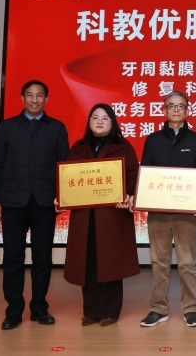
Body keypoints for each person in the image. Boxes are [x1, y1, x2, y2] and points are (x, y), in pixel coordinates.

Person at [0, 80, 69, 330]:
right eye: (30, 95)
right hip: (12, 203)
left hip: (45, 203)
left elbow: (64, 166)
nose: (35, 99)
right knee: (12, 258)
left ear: (47, 99)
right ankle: (13, 311)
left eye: (39, 95)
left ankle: (39, 308)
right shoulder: (7, 127)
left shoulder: (57, 128)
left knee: (42, 258)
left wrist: (63, 196)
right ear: (22, 98)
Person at [61, 103, 140, 327]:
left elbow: (133, 175)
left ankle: (110, 312)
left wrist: (129, 194)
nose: (99, 121)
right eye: (95, 117)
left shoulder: (123, 146)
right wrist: (62, 196)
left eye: (105, 118)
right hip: (84, 216)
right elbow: (68, 177)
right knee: (87, 261)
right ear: (89, 122)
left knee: (110, 262)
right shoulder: (79, 147)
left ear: (112, 122)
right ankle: (90, 311)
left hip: (112, 216)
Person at [140, 91, 196, 328]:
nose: (176, 110)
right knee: (159, 261)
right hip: (158, 211)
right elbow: (145, 174)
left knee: (187, 261)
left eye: (181, 106)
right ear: (164, 109)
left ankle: (191, 308)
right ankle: (158, 309)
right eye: (171, 106)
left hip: (185, 212)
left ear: (187, 110)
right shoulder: (153, 139)